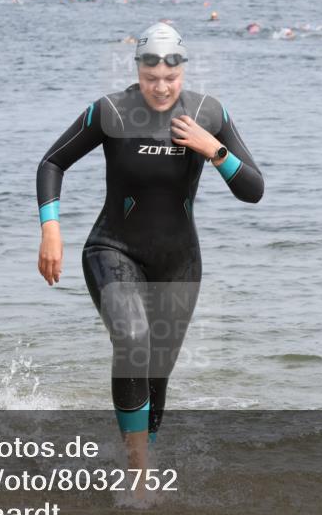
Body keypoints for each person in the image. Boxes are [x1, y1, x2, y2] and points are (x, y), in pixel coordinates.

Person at [36, 23, 263, 476]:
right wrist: (51, 229)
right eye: (150, 78)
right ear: (137, 70)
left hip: (180, 261)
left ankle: (141, 452)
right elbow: (52, 161)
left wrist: (213, 149)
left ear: (183, 72)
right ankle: (137, 476)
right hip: (112, 247)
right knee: (134, 341)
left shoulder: (208, 113)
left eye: (170, 79)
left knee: (158, 370)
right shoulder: (111, 112)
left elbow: (253, 190)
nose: (160, 88)